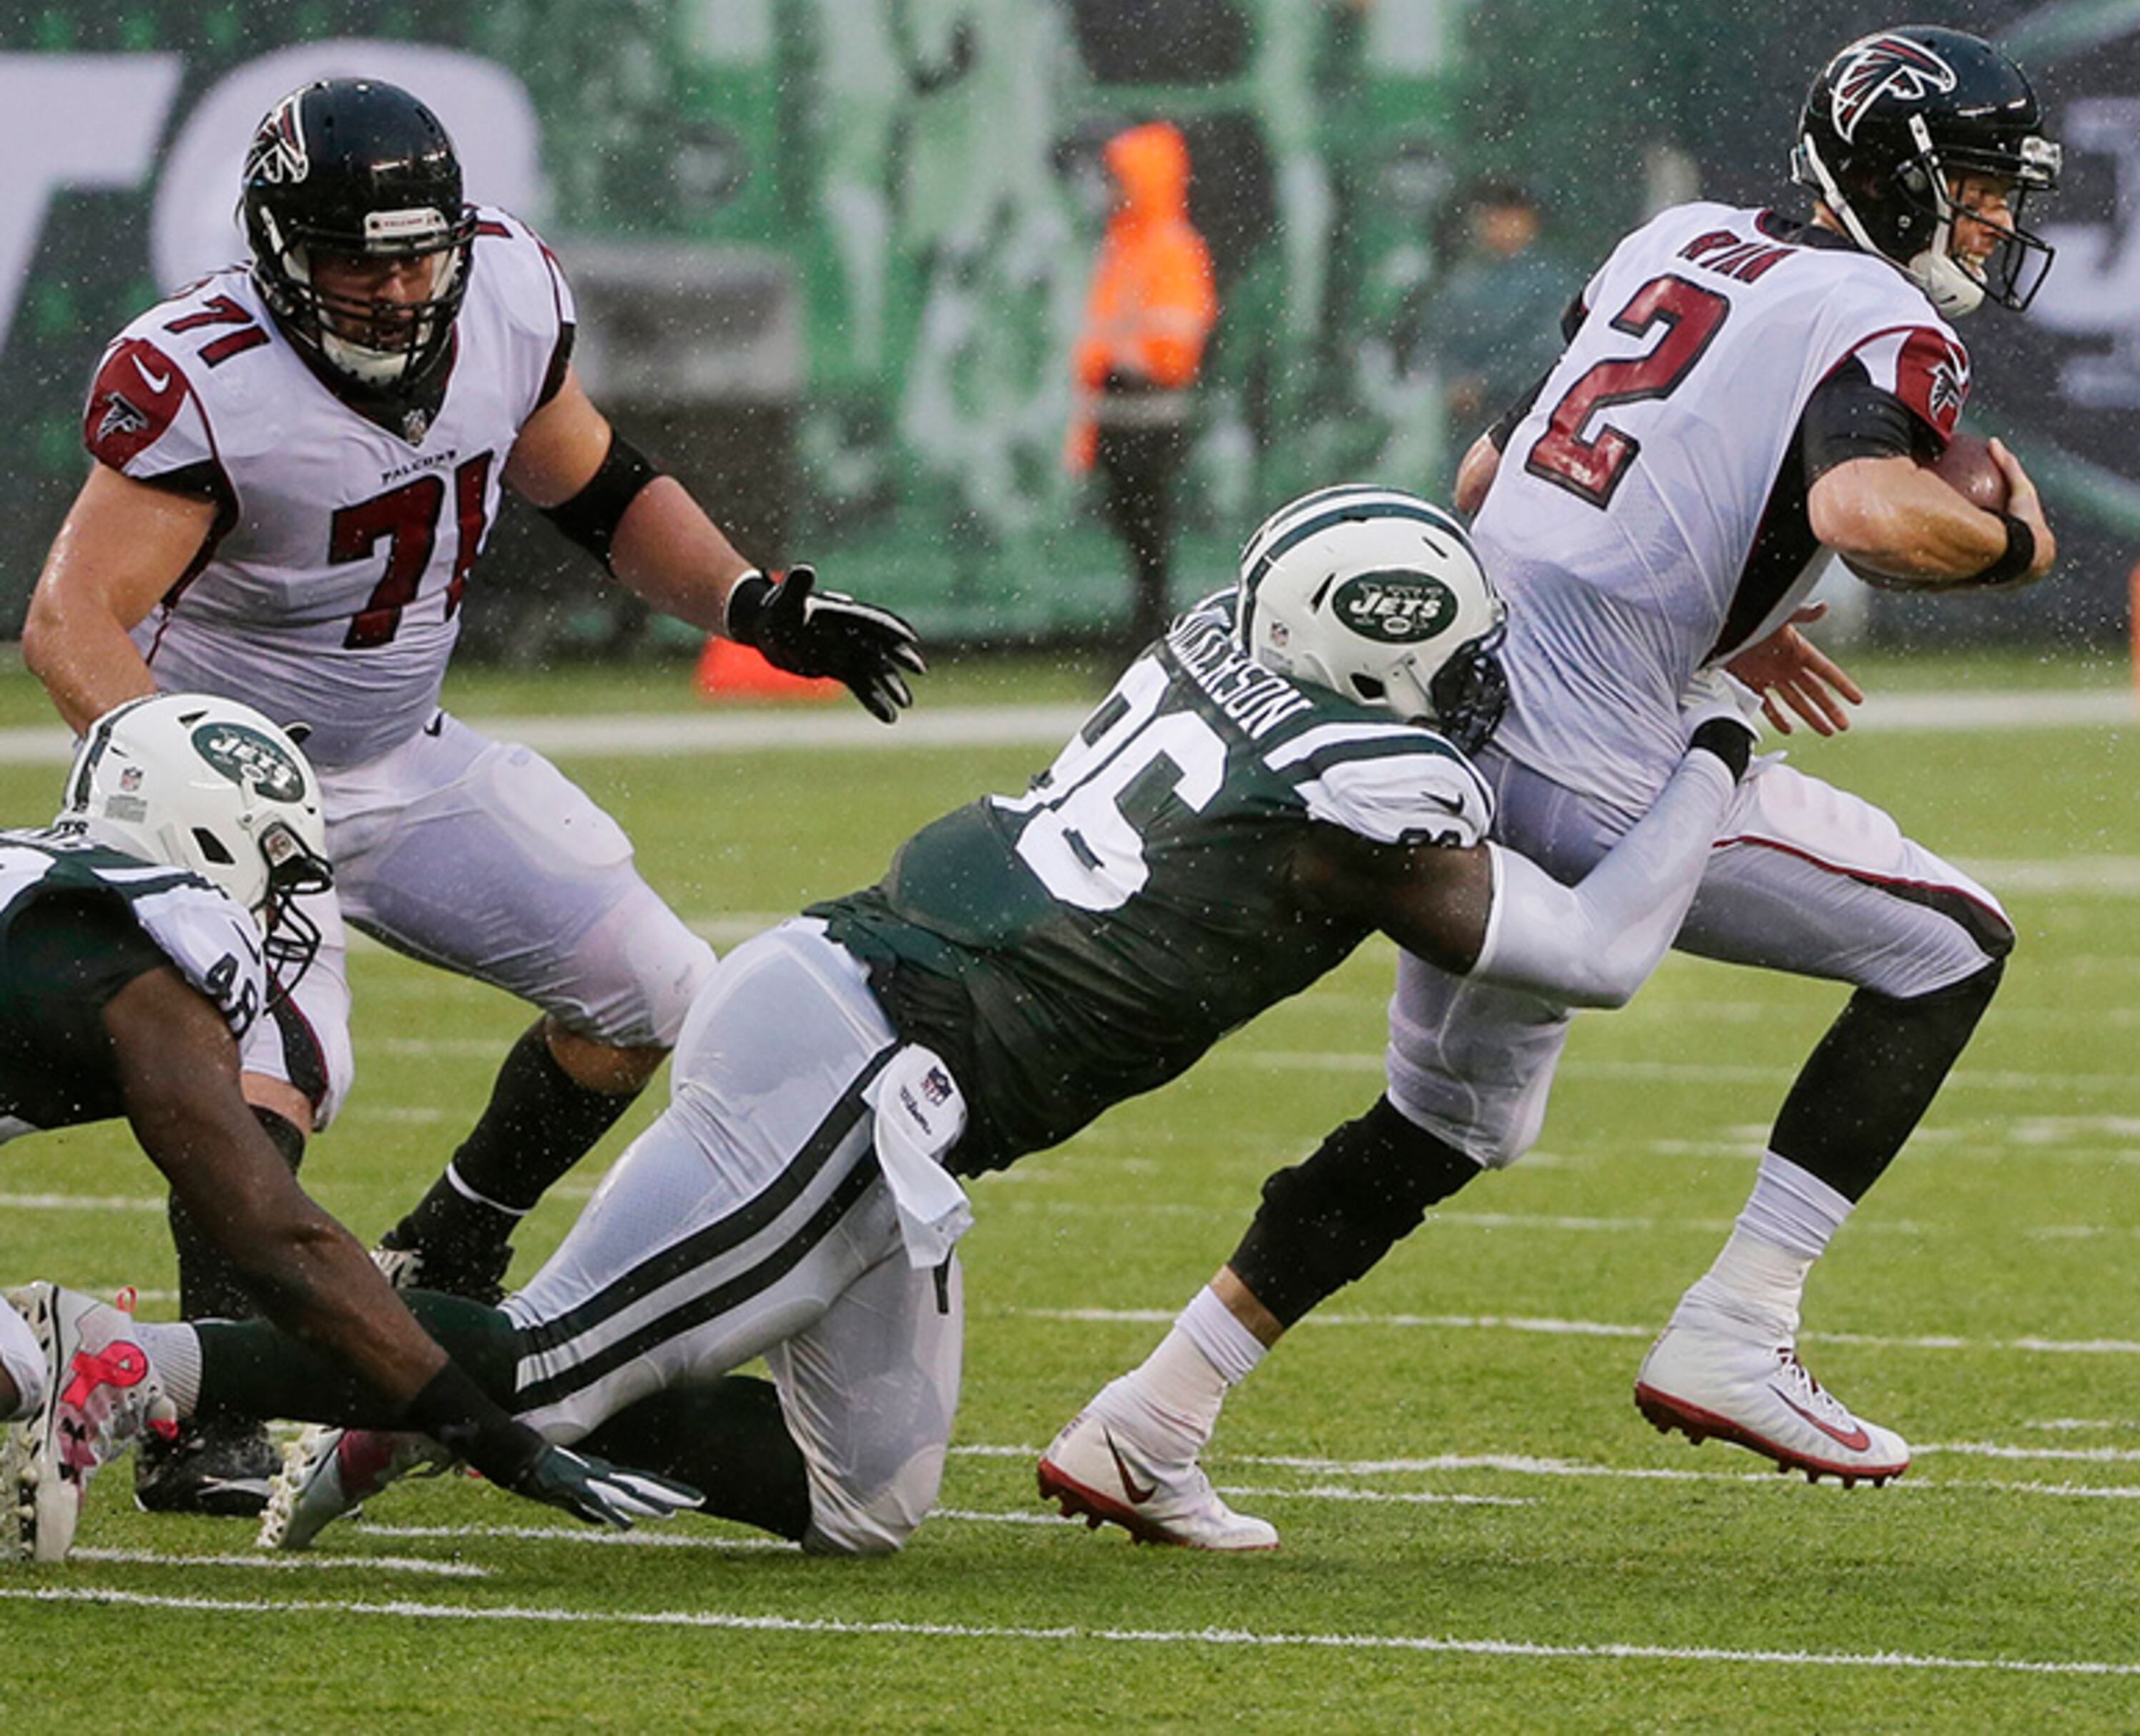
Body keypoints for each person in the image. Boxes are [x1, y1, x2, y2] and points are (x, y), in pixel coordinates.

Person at [117, 486, 1764, 1556]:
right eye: (1458, 668)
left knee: (866, 1504)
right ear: (1378, 672)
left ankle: (471, 1392)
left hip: (874, 1053)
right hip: (864, 1063)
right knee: (537, 1371)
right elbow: (1602, 954)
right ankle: (116, 1365)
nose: (1478, 701)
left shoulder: (1216, 655)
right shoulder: (1363, 788)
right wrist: (1714, 743)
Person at [1049, 24, 2066, 1538]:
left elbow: (1488, 477)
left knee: (1447, 1123)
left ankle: (1149, 1418)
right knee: (1951, 943)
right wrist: (2015, 544)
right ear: (1897, 174)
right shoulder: (1873, 312)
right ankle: (1741, 1326)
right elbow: (1863, 505)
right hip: (1608, 775)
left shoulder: (1683, 240)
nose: (1992, 220)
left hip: (1458, 732)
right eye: (1977, 185)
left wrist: (1726, 604)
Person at [16, 76, 925, 1514]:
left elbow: (604, 492)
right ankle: (204, 1404)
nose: (393, 289)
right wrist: (178, 769)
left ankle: (449, 1251)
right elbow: (72, 619)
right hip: (231, 785)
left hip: (402, 756)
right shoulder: (202, 372)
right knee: (281, 1074)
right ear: (275, 248)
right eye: (355, 259)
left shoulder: (503, 288)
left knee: (656, 990)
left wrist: (751, 603)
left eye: (415, 254)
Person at [0, 694, 696, 1563]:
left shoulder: (42, 878)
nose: (284, 890)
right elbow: (276, 1240)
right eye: (277, 853)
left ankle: (93, 1356)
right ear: (211, 830)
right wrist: (502, 1446)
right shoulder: (144, 969)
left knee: (18, 1366)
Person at [1067, 120, 1219, 662]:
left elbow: (1176, 340)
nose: (1111, 191)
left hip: (1150, 421)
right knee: (1137, 540)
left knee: (1150, 541)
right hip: (1119, 418)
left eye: (1120, 179)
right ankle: (1143, 633)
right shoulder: (1124, 246)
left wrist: (1130, 359)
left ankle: (1152, 636)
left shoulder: (1171, 247)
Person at [1419, 179, 1584, 433]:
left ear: (1531, 221)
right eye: (1492, 215)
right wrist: (1455, 382)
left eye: (1510, 215)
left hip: (1522, 418)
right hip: (1464, 423)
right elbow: (1440, 338)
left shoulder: (1550, 282)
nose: (1499, 224)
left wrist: (1486, 384)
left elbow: (1547, 351)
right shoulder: (1465, 278)